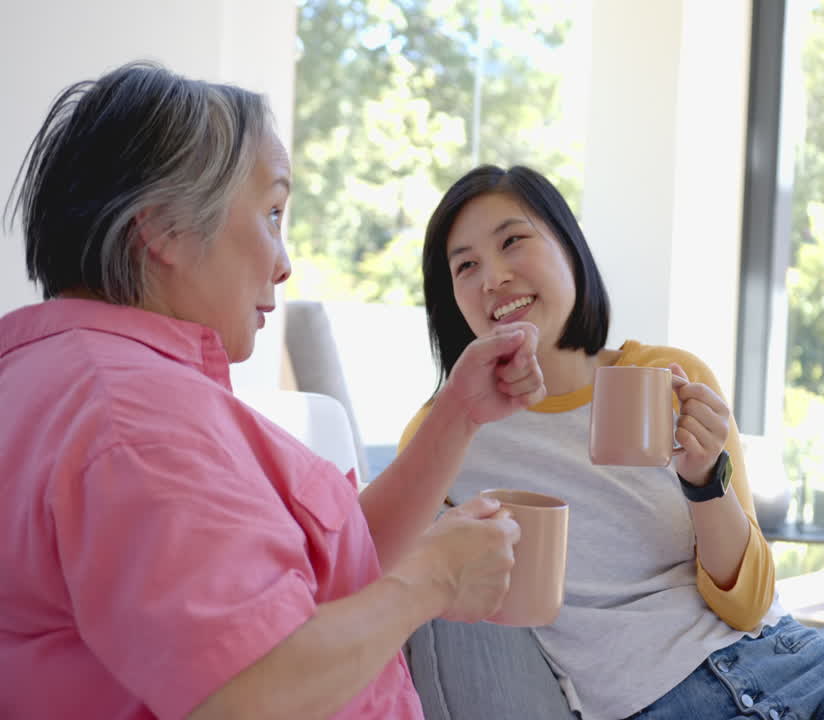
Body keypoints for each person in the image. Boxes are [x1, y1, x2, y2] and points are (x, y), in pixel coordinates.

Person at [0, 62, 547, 719]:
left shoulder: (64, 383)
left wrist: (458, 412)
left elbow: (322, 579)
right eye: (272, 213)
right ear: (164, 229)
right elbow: (246, 693)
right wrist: (432, 580)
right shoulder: (140, 424)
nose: (284, 265)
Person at [400, 165, 824, 720]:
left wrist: (706, 481)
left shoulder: (671, 377)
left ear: (570, 248)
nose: (493, 277)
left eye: (512, 240)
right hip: (653, 703)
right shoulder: (446, 430)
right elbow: (395, 574)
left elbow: (750, 604)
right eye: (465, 266)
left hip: (783, 659)